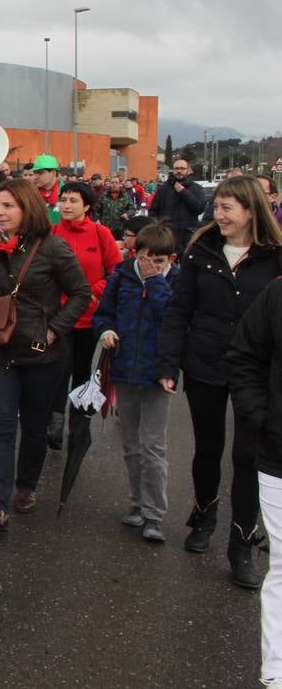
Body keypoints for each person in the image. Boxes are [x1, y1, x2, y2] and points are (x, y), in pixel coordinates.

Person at [157, 176, 282, 586]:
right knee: (209, 447)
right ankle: (204, 514)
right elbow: (180, 309)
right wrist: (168, 362)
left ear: (251, 210)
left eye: (228, 207)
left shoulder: (274, 256)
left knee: (248, 455)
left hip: (256, 371)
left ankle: (241, 542)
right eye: (217, 206)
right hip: (205, 362)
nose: (219, 214)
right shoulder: (201, 251)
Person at [0, 178, 90, 528]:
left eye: (9, 206)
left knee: (34, 427)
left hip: (42, 354)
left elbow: (80, 293)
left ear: (27, 208)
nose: (0, 212)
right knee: (1, 426)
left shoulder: (54, 248)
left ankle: (26, 485)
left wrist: (54, 330)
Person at [92, 222, 177, 542]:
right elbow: (103, 314)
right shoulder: (121, 277)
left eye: (159, 260)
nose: (150, 264)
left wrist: (156, 283)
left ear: (171, 258)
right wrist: (105, 331)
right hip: (124, 369)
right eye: (144, 257)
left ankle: (155, 514)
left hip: (157, 375)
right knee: (131, 444)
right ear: (134, 252)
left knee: (153, 445)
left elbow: (172, 318)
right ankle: (138, 503)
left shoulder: (174, 282)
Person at [227, 278, 282, 685]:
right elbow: (244, 355)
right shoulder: (277, 292)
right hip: (279, 454)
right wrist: (263, 418)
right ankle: (276, 674)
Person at [49, 181, 122, 451]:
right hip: (58, 317)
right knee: (58, 370)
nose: (66, 205)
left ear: (87, 206)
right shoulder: (53, 232)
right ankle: (54, 422)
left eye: (73, 201)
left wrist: (94, 291)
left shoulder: (100, 233)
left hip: (88, 317)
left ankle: (77, 426)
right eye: (63, 200)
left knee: (81, 371)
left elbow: (116, 270)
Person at [149, 159, 208, 254]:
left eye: (182, 168)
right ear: (172, 170)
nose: (179, 171)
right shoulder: (163, 189)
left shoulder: (197, 188)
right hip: (167, 236)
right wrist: (157, 229)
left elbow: (199, 208)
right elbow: (153, 211)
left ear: (187, 170)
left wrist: (183, 192)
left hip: (188, 236)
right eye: (176, 168)